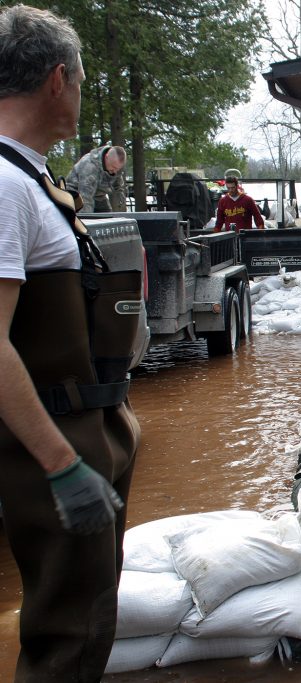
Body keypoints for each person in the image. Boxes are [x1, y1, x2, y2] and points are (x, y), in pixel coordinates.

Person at [0, 5, 142, 681]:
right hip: (52, 446)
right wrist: (61, 464)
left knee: (87, 629)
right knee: (66, 640)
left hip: (83, 426)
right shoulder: (4, 187)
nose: (81, 95)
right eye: (81, 81)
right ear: (58, 80)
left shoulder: (32, 178)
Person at [65, 142, 126, 213]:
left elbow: (118, 185)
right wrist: (87, 221)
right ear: (106, 157)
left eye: (117, 169)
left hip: (98, 195)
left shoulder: (114, 165)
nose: (115, 171)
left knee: (108, 217)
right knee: (88, 217)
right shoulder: (90, 166)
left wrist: (121, 198)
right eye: (113, 167)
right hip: (76, 194)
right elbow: (85, 198)